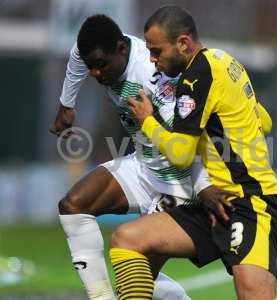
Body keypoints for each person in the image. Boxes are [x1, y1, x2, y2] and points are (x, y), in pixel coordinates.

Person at [109, 5, 277, 300]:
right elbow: (264, 120)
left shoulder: (195, 77)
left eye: (157, 51)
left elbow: (180, 154)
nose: (152, 61)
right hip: (216, 205)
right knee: (128, 239)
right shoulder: (225, 61)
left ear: (183, 43)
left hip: (250, 203)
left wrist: (147, 120)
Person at [50, 14, 231, 300]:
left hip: (180, 182)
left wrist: (203, 186)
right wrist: (66, 105)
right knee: (73, 206)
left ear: (121, 49)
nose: (95, 73)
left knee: (136, 282)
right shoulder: (96, 53)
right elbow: (76, 58)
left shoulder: (152, 77)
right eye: (91, 67)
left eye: (100, 65)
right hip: (143, 165)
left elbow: (191, 140)